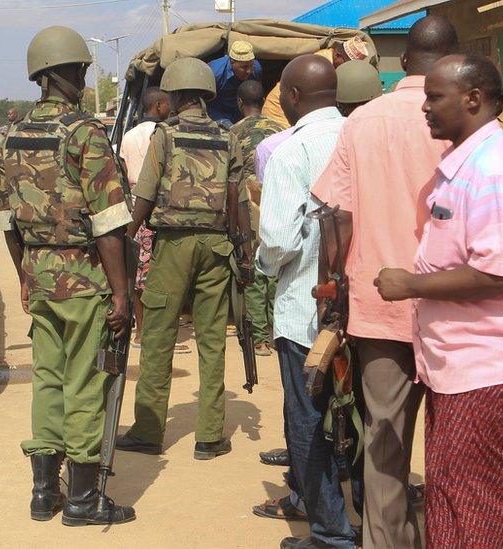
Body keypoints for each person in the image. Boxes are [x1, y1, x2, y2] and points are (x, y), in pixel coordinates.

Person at [376, 52, 503, 548]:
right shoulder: (470, 161)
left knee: (482, 508)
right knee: (475, 498)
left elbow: (500, 271)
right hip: (466, 364)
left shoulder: (497, 166)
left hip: (492, 367)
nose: (425, 108)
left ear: (474, 99)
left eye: (434, 97)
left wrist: (410, 285)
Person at [311, 16, 459, 549]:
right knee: (455, 445)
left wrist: (335, 289)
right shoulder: (468, 121)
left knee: (384, 444)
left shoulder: (363, 122)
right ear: (453, 60)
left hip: (378, 307)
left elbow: (336, 215)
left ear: (403, 62)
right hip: (456, 306)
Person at [0, 25, 135, 526]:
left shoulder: (8, 135)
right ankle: (80, 501)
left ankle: (41, 494)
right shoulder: (85, 134)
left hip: (40, 275)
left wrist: (25, 276)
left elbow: (8, 221)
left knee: (47, 382)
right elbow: (110, 223)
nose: (82, 76)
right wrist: (121, 295)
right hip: (84, 281)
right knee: (84, 384)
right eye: (79, 69)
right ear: (57, 73)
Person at [116, 57, 253, 460]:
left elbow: (145, 191)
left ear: (174, 96)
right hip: (216, 245)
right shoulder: (227, 138)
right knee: (212, 339)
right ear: (207, 94)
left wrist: (128, 237)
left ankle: (147, 430)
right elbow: (238, 198)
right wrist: (243, 249)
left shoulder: (166, 134)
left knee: (158, 335)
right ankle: (209, 436)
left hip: (172, 246)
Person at [258, 54, 353, 549]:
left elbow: (278, 242)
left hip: (306, 311)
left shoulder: (289, 153)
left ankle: (330, 533)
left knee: (308, 418)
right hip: (365, 306)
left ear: (292, 97)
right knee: (355, 417)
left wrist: (261, 265)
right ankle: (357, 513)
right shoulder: (359, 137)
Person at [119, 87, 188, 353]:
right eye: (168, 104)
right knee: (163, 272)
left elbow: (126, 174)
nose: (171, 109)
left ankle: (140, 330)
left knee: (138, 272)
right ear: (159, 105)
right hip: (158, 205)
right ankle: (157, 336)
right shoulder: (164, 134)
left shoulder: (128, 136)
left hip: (134, 205)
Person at [230, 80, 287, 357]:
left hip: (247, 208)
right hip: (277, 203)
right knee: (276, 268)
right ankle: (278, 334)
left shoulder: (233, 133)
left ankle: (259, 338)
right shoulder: (281, 130)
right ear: (264, 100)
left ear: (240, 103)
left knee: (252, 269)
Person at [263, 37, 370, 127]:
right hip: (279, 109)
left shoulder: (332, 62)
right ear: (338, 56)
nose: (349, 69)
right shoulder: (322, 63)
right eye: (347, 63)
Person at [207, 40, 263, 125]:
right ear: (232, 62)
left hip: (242, 113)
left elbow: (257, 93)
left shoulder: (256, 69)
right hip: (218, 113)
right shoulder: (215, 72)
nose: (249, 71)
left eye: (251, 65)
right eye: (244, 67)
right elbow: (204, 99)